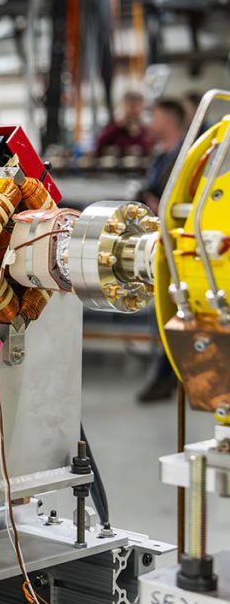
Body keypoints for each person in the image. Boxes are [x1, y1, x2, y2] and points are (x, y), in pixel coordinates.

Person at [137, 98, 188, 403]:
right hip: (158, 245)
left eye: (153, 116)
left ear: (168, 118)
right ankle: (165, 374)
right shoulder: (161, 155)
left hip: (176, 246)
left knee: (172, 313)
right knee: (161, 314)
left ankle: (169, 376)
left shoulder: (183, 157)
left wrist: (157, 205)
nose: (149, 122)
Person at [95, 91, 154, 164]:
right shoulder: (112, 130)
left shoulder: (148, 132)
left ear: (142, 107)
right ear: (123, 106)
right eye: (130, 106)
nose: (133, 110)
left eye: (137, 106)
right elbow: (98, 148)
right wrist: (118, 127)